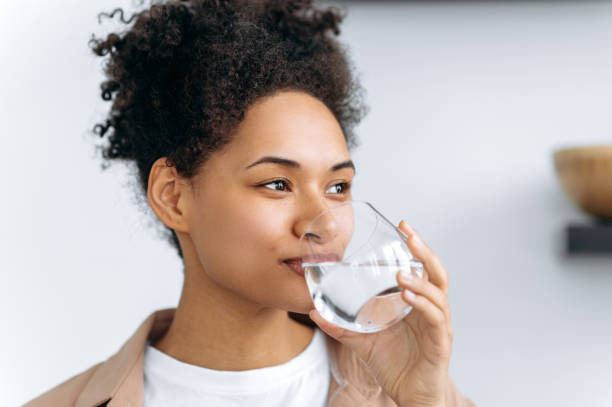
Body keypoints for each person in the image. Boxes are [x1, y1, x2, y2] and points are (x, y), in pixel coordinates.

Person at [24, 1, 475, 406]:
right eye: (278, 183)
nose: (325, 226)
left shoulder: (413, 392)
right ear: (173, 197)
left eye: (337, 188)